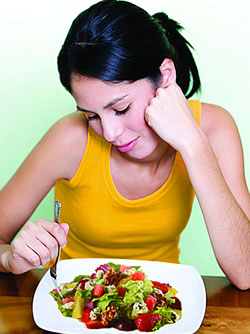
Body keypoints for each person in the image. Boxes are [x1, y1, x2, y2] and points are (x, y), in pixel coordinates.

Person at [0, 0, 249, 290]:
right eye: (91, 115)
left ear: (166, 77)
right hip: (75, 308)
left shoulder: (214, 128)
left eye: (121, 109)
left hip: (163, 309)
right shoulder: (70, 137)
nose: (109, 132)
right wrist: (9, 259)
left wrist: (194, 145)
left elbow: (246, 273)